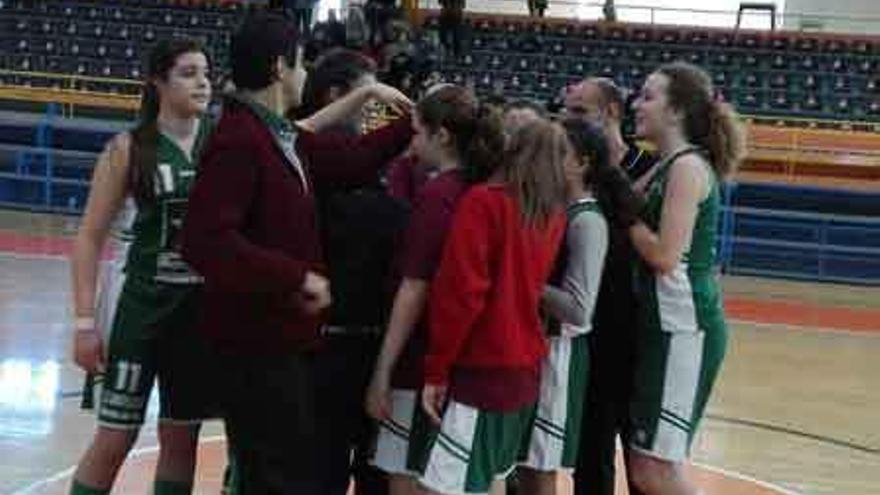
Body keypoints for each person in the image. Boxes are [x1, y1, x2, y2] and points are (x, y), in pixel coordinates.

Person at [179, 13, 413, 493]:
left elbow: (349, 160)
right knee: (277, 476)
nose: (306, 73)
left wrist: (412, 122)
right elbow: (205, 242)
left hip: (281, 341)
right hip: (252, 342)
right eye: (301, 62)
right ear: (280, 67)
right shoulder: (240, 141)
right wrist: (295, 276)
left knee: (287, 471)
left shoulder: (275, 134)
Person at [69, 38, 216, 495]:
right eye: (189, 73)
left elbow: (291, 134)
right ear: (158, 81)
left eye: (206, 73)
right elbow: (89, 237)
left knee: (181, 438)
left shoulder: (222, 140)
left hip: (198, 312)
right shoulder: (128, 148)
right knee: (116, 435)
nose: (203, 82)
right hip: (140, 307)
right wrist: (84, 323)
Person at [416, 119, 569, 495]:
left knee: (449, 487)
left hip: (484, 366)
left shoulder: (485, 202)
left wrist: (436, 370)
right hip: (524, 366)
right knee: (493, 477)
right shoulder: (553, 214)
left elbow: (461, 295)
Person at [366, 85, 506, 495]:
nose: (411, 142)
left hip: (421, 362)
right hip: (465, 360)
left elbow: (415, 288)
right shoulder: (487, 189)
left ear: (441, 135)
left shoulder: (438, 194)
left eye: (416, 132)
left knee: (407, 478)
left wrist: (382, 370)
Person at [626, 62, 745, 495]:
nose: (637, 104)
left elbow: (663, 254)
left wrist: (625, 218)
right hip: (665, 329)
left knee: (655, 471)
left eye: (648, 96)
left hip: (684, 330)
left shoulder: (687, 168)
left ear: (676, 111)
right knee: (646, 465)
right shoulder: (668, 163)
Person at [517, 118, 644, 494]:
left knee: (539, 469)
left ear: (582, 163)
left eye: (558, 154)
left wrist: (522, 282)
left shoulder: (587, 221)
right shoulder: (557, 211)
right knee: (525, 468)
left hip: (561, 358)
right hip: (539, 351)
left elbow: (578, 309)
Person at [303, 48, 398, 495]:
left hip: (374, 338)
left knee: (371, 469)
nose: (381, 108)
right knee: (321, 468)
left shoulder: (379, 163)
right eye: (371, 95)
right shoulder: (303, 155)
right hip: (323, 341)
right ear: (337, 95)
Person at [563, 77, 655, 495]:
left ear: (613, 112)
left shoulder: (651, 168)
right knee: (591, 450)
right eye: (567, 109)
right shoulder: (573, 171)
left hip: (639, 329)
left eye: (580, 110)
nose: (569, 118)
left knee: (642, 457)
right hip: (589, 327)